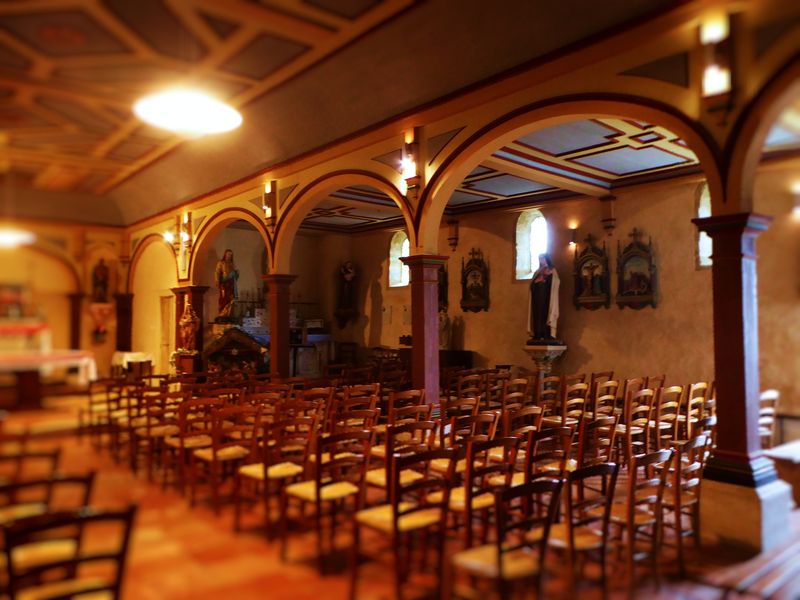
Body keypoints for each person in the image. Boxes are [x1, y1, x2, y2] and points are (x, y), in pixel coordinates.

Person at [527, 253, 560, 342]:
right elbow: (532, 285)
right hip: (537, 299)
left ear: (547, 259)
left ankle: (546, 334)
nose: (541, 260)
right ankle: (537, 334)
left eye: (542, 258)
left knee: (545, 315)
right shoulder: (537, 272)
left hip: (547, 299)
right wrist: (537, 281)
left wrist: (546, 279)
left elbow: (556, 283)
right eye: (539, 259)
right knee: (537, 315)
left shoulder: (552, 270)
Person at [215, 249, 239, 318]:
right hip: (224, 284)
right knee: (224, 298)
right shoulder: (221, 263)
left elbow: (235, 276)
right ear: (225, 255)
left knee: (231, 299)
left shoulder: (232, 264)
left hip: (231, 284)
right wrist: (218, 282)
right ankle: (223, 314)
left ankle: (230, 314)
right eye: (228, 254)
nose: (229, 256)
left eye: (231, 255)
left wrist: (236, 273)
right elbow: (217, 273)